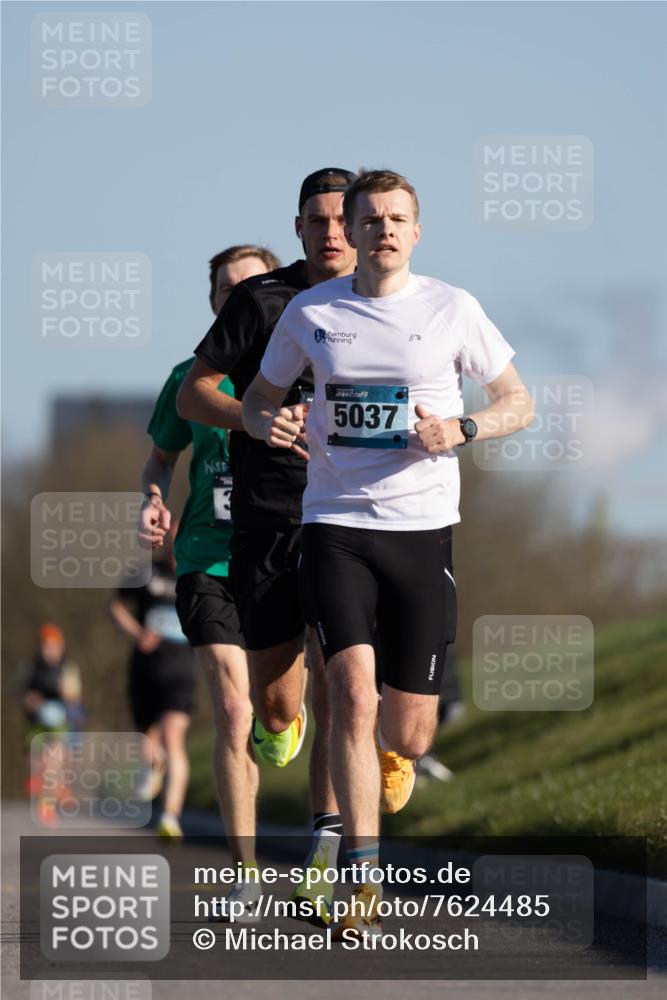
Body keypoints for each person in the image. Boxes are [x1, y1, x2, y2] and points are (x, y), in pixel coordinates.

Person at [241, 168, 535, 938]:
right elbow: (258, 400)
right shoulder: (311, 312)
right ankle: (360, 873)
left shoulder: (451, 307)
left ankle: (397, 756)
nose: (381, 232)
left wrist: (462, 430)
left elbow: (518, 402)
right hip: (335, 524)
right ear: (355, 229)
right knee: (350, 694)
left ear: (415, 229)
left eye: (396, 219)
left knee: (408, 729)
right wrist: (270, 423)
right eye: (369, 220)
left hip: (422, 529)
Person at [176, 171, 357, 923]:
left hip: (354, 514)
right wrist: (251, 420)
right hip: (267, 516)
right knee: (278, 708)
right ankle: (288, 722)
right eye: (316, 219)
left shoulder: (400, 303)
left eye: (345, 218)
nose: (333, 232)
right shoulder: (263, 302)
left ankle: (324, 854)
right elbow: (194, 393)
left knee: (345, 681)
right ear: (299, 226)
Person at [136, 245, 280, 901]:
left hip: (283, 555)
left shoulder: (309, 367)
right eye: (228, 290)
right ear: (214, 303)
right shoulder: (186, 379)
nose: (239, 299)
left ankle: (283, 722)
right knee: (229, 706)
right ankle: (244, 874)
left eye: (253, 288)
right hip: (206, 556)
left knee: (273, 718)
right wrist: (153, 500)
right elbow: (159, 459)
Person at [110, 524, 196, 841]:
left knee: (173, 737)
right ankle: (155, 765)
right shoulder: (146, 572)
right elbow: (115, 605)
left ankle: (170, 817)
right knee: (145, 738)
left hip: (181, 671)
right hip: (145, 669)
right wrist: (137, 632)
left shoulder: (197, 576)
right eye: (171, 541)